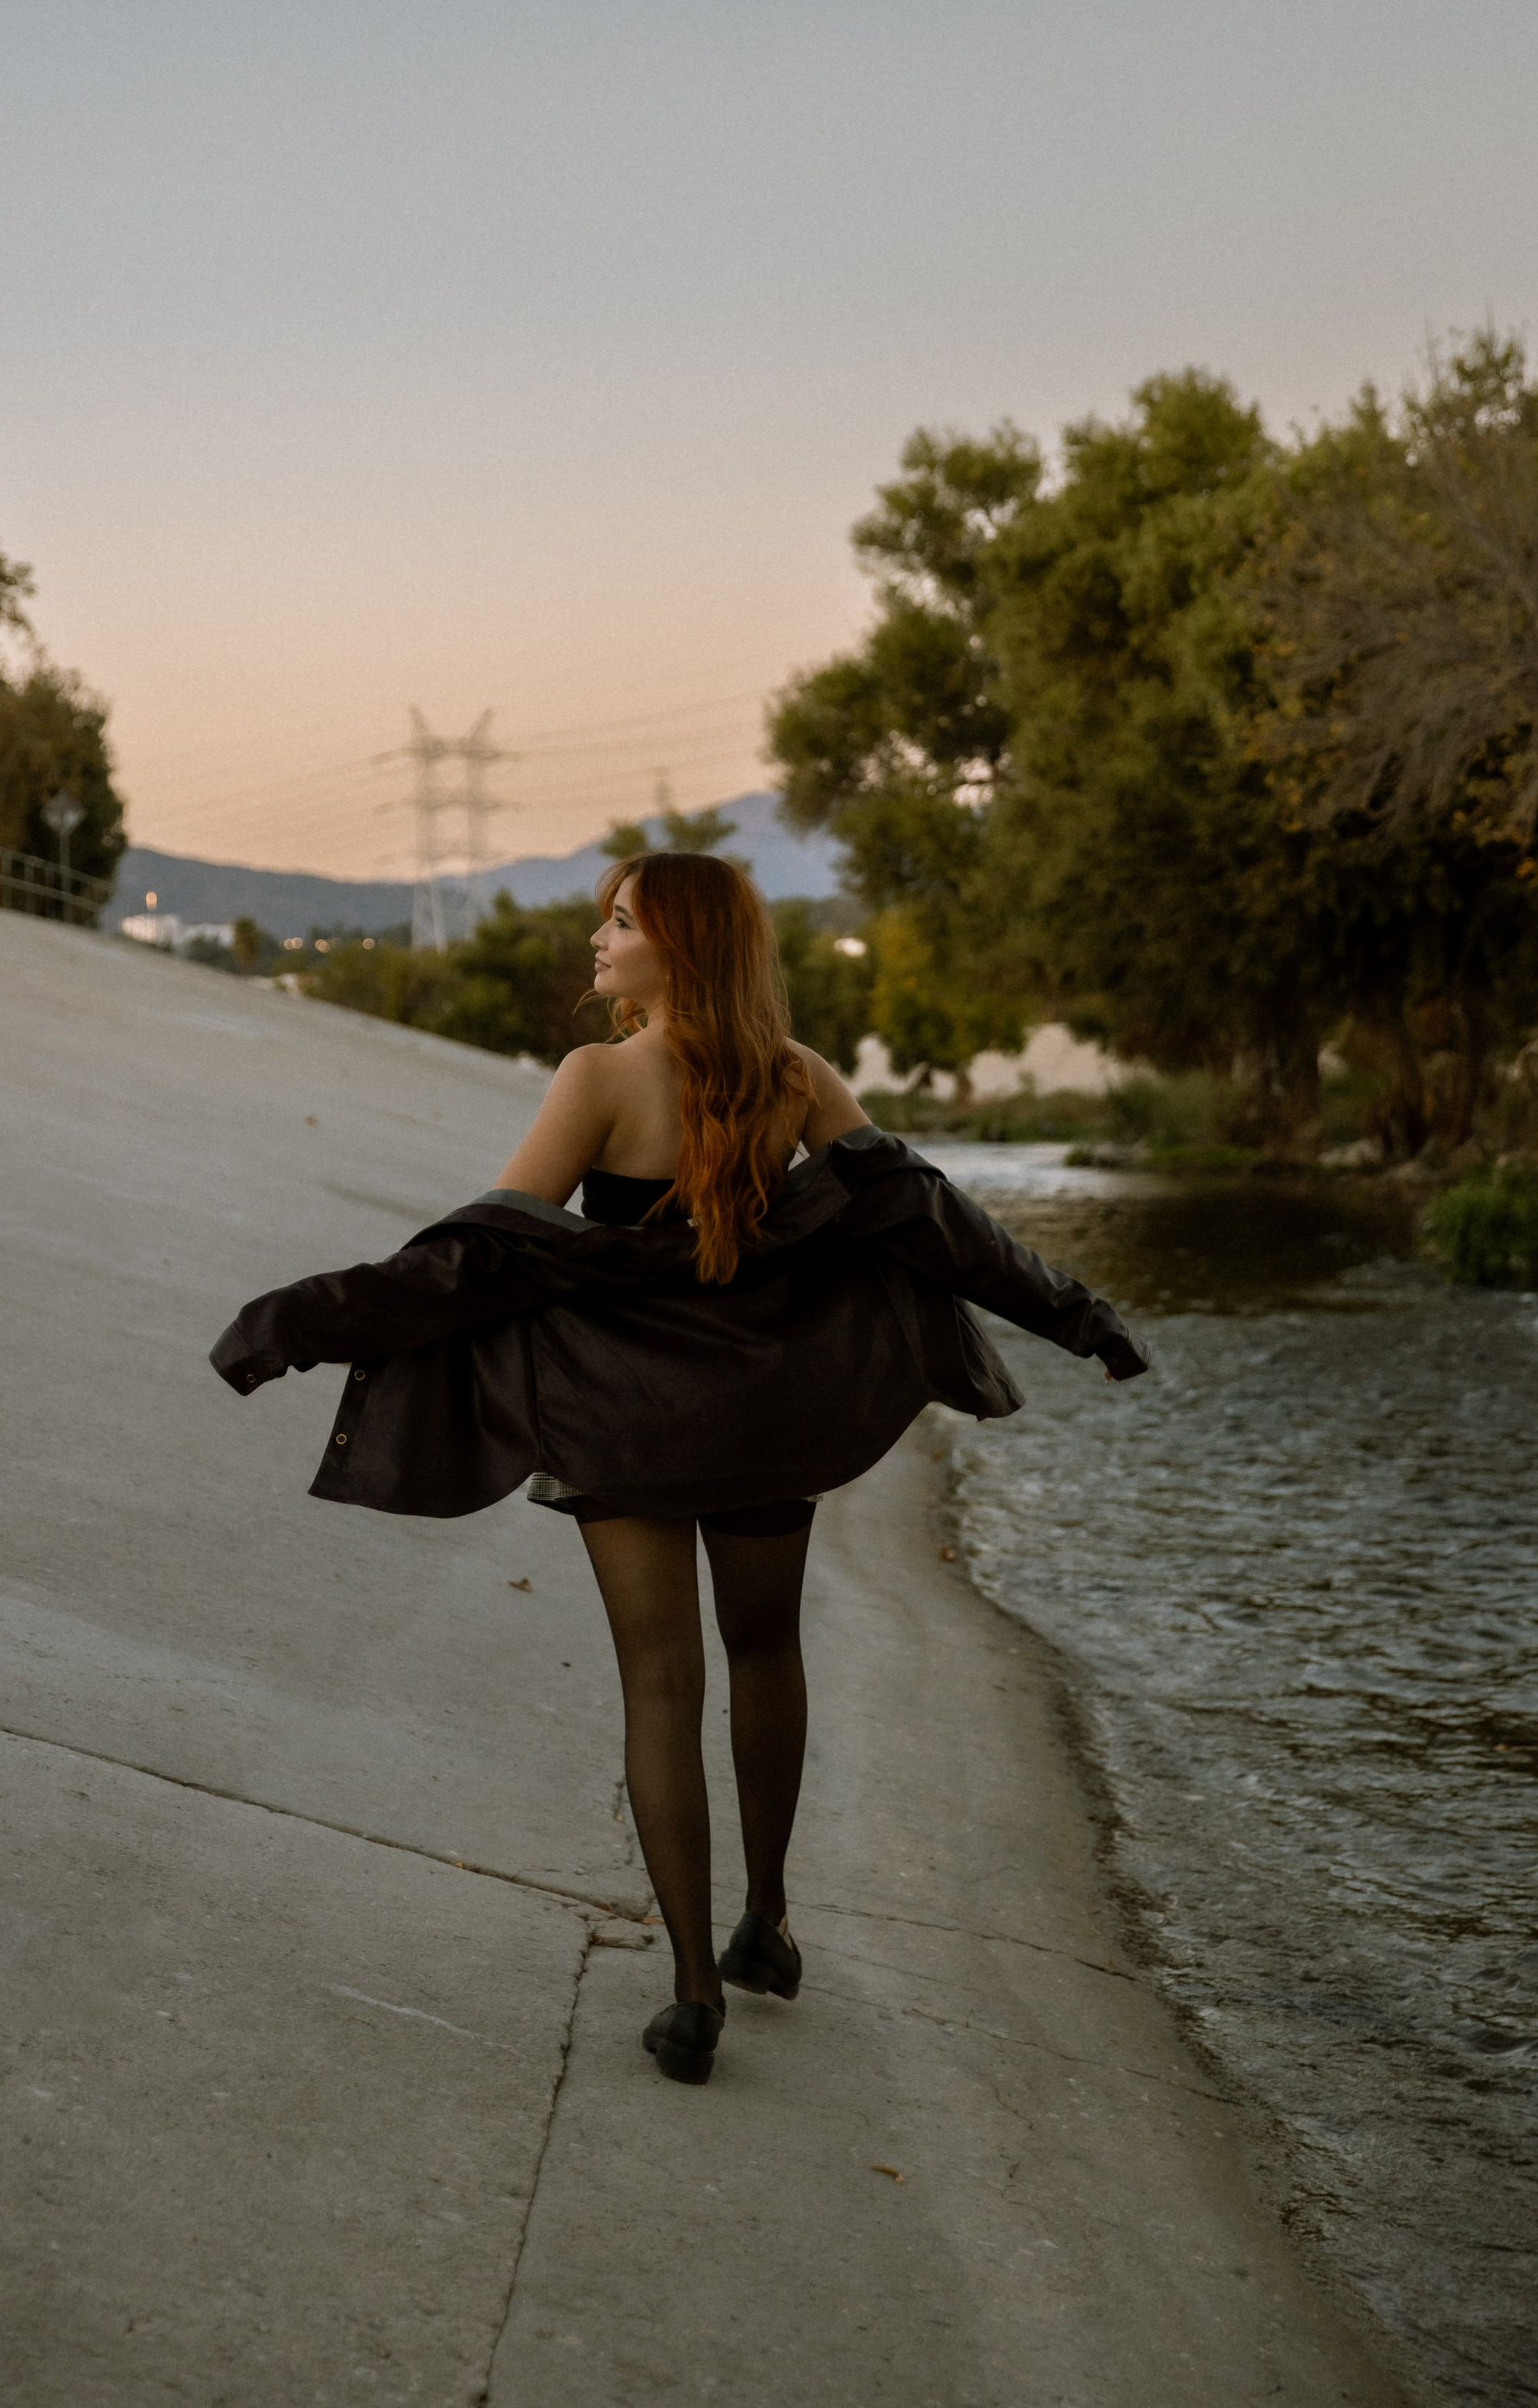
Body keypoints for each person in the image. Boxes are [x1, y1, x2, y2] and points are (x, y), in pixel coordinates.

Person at [212, 852, 1147, 2088]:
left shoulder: (599, 1078)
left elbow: (481, 1258)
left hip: (625, 1416)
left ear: (679, 946)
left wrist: (299, 1321)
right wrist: (1078, 1314)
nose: (597, 937)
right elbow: (932, 1218)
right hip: (766, 1402)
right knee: (766, 1648)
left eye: (619, 920)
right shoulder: (797, 1076)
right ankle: (769, 1918)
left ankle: (696, 1988)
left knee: (662, 1684)